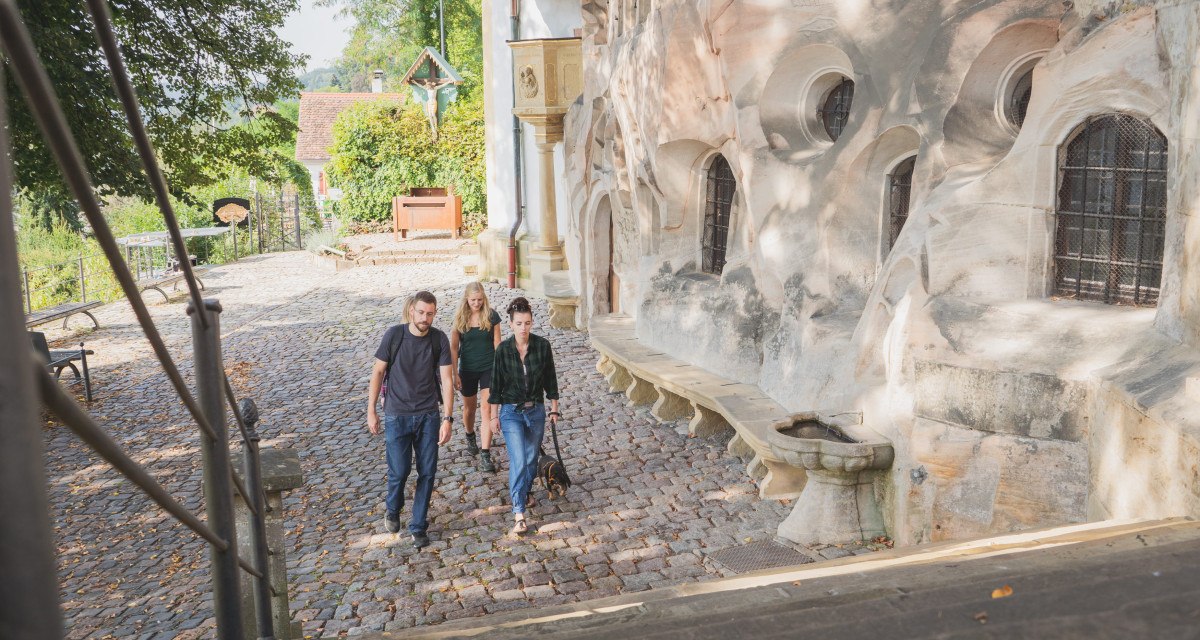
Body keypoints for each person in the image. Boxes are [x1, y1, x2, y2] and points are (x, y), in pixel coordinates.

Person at [367, 290, 455, 549]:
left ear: (434, 314)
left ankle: (418, 526)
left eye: (430, 314)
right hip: (397, 415)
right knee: (399, 471)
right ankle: (393, 508)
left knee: (427, 472)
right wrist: (371, 410)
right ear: (411, 311)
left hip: (428, 415)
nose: (425, 318)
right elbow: (378, 372)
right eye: (421, 312)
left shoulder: (439, 339)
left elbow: (447, 379)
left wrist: (448, 418)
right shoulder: (394, 335)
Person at [489, 297, 560, 536]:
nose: (523, 328)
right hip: (511, 412)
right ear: (510, 324)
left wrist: (554, 407)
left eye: (527, 323)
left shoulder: (542, 346)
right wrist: (493, 416)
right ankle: (519, 512)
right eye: (518, 323)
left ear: (532, 323)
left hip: (536, 411)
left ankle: (525, 491)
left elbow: (550, 378)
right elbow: (495, 385)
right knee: (519, 459)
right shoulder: (503, 350)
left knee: (530, 459)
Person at [449, 282, 503, 472]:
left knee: (486, 409)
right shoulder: (459, 319)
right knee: (469, 410)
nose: (477, 303)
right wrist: (454, 373)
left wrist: (500, 367)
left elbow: (497, 343)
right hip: (468, 369)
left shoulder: (492, 316)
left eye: (480, 299)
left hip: (489, 367)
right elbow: (453, 348)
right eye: (473, 300)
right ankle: (470, 434)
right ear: (466, 299)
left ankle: (485, 454)